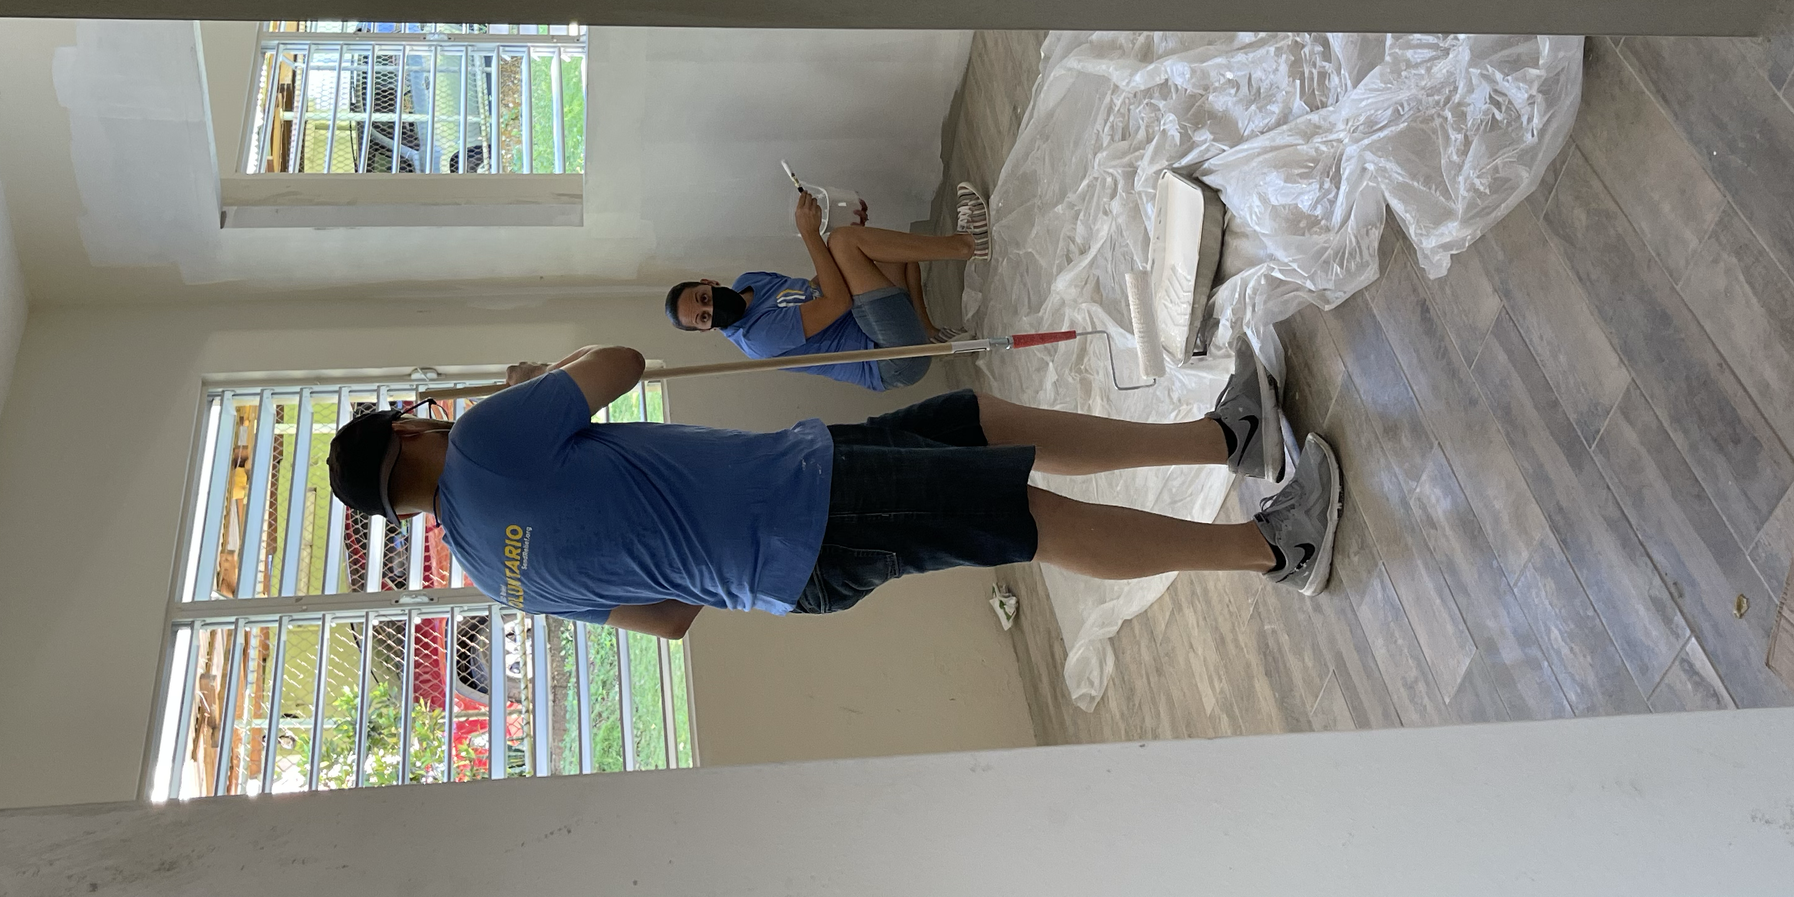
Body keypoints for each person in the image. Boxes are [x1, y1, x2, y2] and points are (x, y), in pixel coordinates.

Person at [324, 339, 1335, 640]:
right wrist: (535, 381)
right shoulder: (484, 441)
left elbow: (670, 620)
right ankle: (1273, 548)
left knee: (977, 422)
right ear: (410, 428)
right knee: (1024, 517)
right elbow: (621, 361)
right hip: (809, 505)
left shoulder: (495, 578)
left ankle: (1222, 438)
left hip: (799, 530)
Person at [663, 182, 992, 391]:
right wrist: (815, 237)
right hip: (890, 358)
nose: (712, 308)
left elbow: (816, 289)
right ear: (706, 330)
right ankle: (967, 244)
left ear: (708, 283)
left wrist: (860, 240)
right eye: (704, 317)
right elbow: (838, 302)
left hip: (875, 327)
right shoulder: (758, 338)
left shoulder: (750, 282)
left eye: (703, 298)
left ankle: (929, 333)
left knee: (893, 252)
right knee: (844, 243)